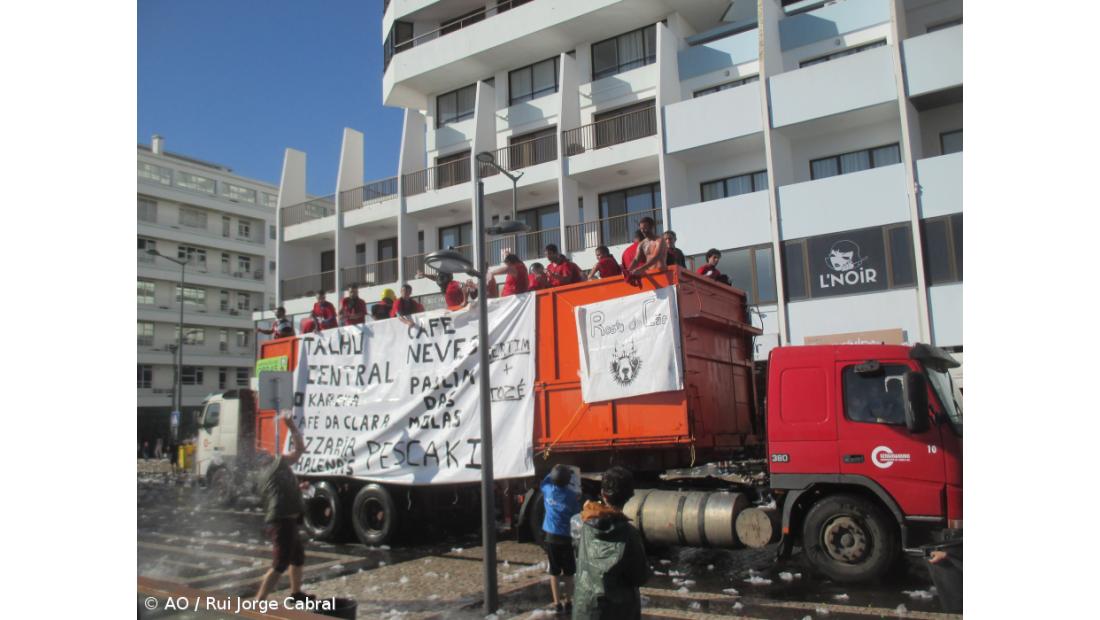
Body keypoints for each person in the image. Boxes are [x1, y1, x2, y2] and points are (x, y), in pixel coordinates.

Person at [573, 466, 649, 619]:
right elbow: (640, 576)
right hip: (618, 611)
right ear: (629, 496)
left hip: (585, 609)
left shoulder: (581, 523)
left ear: (602, 494)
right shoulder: (629, 534)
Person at [254, 413, 313, 603]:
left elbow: (280, 491)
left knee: (297, 557)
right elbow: (300, 450)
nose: (273, 455)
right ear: (266, 460)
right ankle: (259, 601)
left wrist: (298, 488)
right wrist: (292, 426)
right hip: (283, 522)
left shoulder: (268, 474)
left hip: (286, 520)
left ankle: (296, 594)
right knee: (280, 564)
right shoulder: (276, 464)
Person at [541, 464, 580, 614]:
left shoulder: (547, 490)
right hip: (566, 537)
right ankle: (568, 602)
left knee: (554, 571)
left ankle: (557, 603)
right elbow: (576, 513)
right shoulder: (571, 496)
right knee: (569, 572)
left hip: (551, 536)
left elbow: (545, 480)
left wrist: (554, 468)